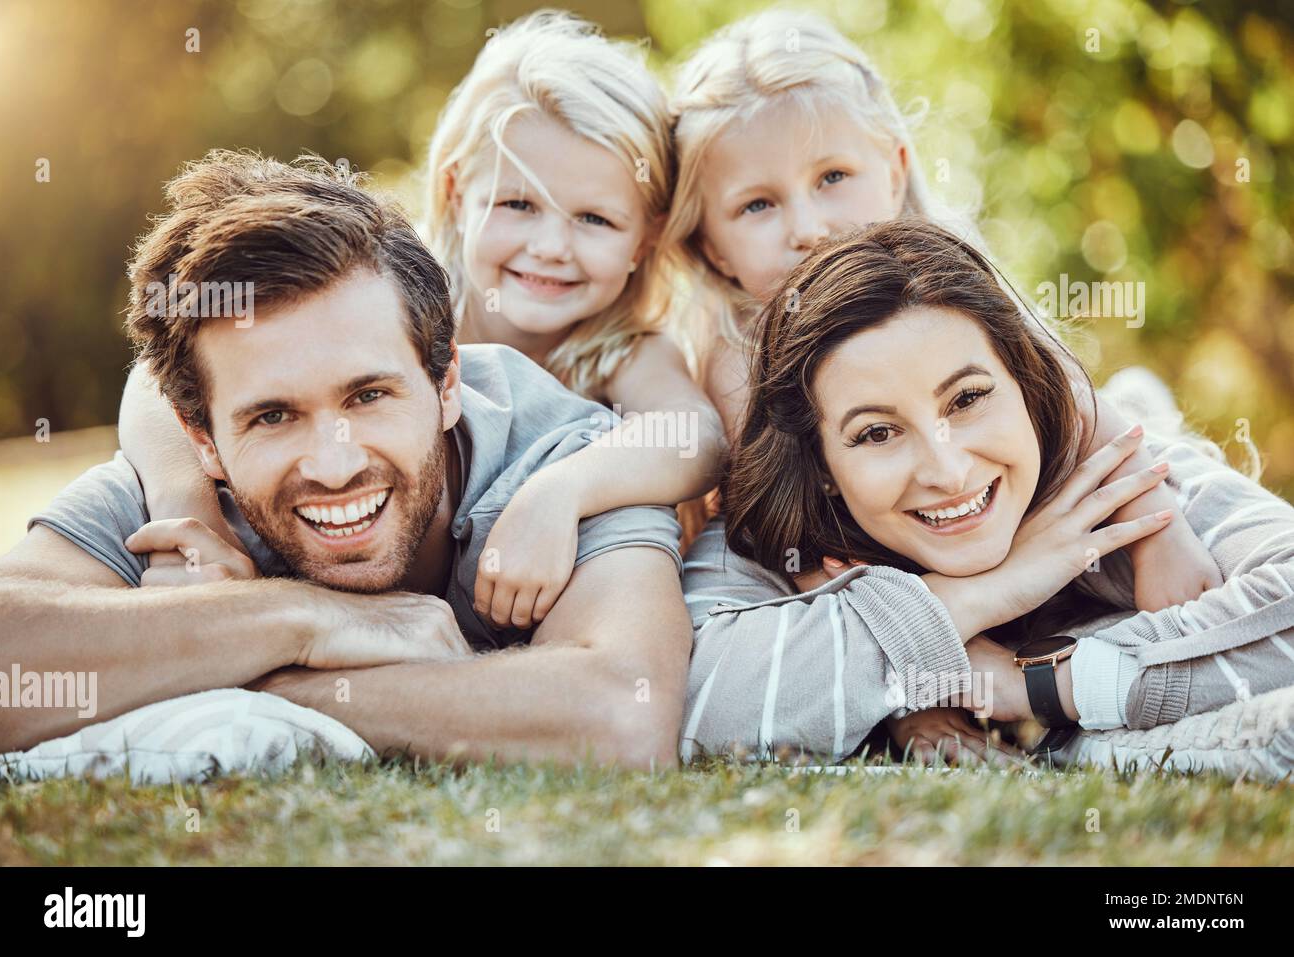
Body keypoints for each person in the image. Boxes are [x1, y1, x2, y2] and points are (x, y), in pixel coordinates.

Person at [0, 149, 692, 771]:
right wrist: (302, 619)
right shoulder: (181, 500)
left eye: (368, 396)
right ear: (202, 439)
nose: (333, 466)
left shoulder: (563, 458)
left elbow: (621, 717)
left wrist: (245, 673)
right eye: (273, 416)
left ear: (447, 384)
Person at [118, 11, 724, 631]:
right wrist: (188, 511)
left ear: (645, 240)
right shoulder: (398, 302)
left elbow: (695, 438)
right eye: (518, 204)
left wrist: (560, 492)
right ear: (459, 194)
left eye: (594, 219)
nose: (550, 245)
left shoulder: (624, 349)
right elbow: (158, 380)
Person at [681, 220, 1294, 772]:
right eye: (877, 433)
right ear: (821, 468)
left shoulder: (1110, 477)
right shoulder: (773, 534)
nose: (947, 471)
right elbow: (701, 705)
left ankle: (1143, 397)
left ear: (1025, 386)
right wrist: (969, 603)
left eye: (967, 399)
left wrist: (1033, 686)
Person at [661, 9, 1220, 614]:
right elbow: (789, 532)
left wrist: (1160, 533)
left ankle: (1146, 402)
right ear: (709, 245)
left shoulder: (944, 283)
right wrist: (941, 653)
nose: (808, 228)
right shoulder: (732, 354)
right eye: (757, 205)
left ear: (897, 168)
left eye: (833, 176)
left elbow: (1073, 396)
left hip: (997, 502)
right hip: (905, 558)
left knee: (1132, 411)